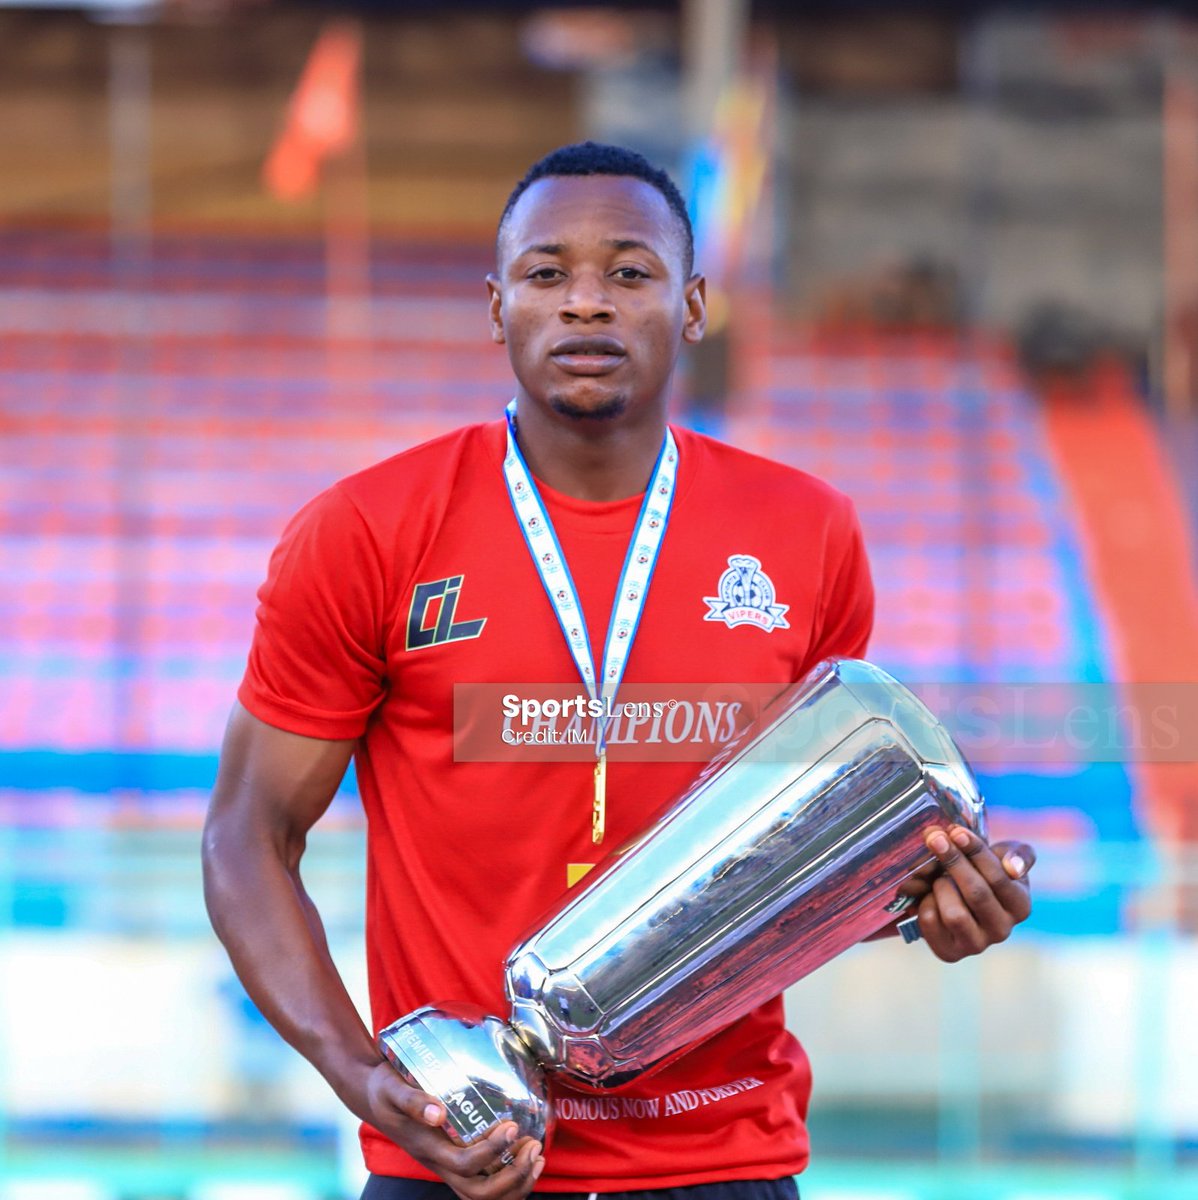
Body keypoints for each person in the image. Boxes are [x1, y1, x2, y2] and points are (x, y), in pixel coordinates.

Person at [202, 142, 1035, 1200]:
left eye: (628, 273)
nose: (586, 303)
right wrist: (368, 1079)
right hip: (457, 1156)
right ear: (495, 304)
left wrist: (928, 905)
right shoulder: (365, 532)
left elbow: (805, 864)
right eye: (547, 274)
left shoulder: (805, 532)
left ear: (691, 307)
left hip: (724, 1156)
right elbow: (245, 834)